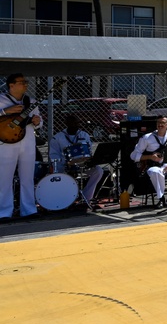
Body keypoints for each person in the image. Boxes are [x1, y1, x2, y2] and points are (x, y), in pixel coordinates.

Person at [0, 73, 42, 219]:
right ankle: (4, 212)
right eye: (21, 82)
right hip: (6, 143)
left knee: (27, 177)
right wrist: (6, 111)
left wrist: (37, 121)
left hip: (27, 142)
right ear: (11, 85)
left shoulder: (31, 101)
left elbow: (39, 122)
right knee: (4, 178)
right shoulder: (1, 100)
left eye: (26, 82)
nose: (25, 84)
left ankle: (29, 210)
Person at [49, 114, 103, 210]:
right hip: (65, 166)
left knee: (98, 170)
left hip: (82, 165)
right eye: (72, 122)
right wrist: (65, 163)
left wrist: (89, 160)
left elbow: (89, 151)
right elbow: (53, 155)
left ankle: (86, 198)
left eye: (77, 122)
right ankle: (65, 200)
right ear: (66, 124)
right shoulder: (57, 138)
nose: (75, 125)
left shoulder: (84, 135)